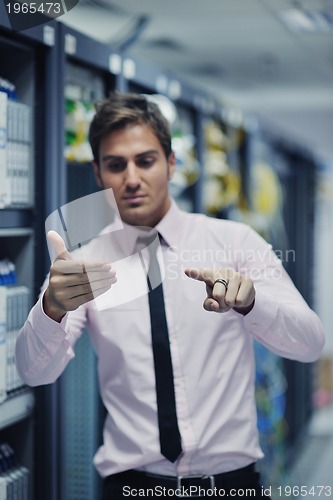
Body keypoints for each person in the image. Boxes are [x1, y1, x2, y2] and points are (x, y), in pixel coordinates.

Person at [15, 92, 325, 499]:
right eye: (115, 164)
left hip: (231, 486)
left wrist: (253, 304)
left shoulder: (233, 242)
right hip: (132, 488)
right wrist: (51, 308)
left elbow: (310, 343)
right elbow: (33, 372)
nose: (131, 178)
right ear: (97, 173)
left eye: (145, 160)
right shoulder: (84, 264)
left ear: (171, 163)